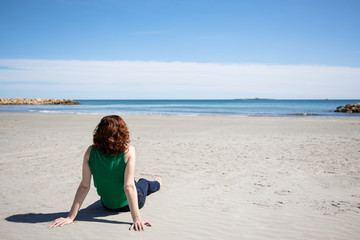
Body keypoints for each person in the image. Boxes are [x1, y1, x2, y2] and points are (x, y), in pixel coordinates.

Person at [50, 115, 161, 231]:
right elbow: (128, 186)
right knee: (143, 183)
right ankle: (158, 183)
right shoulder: (129, 151)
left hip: (107, 205)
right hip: (129, 204)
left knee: (132, 182)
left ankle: (147, 182)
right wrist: (137, 219)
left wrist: (70, 217)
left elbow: (85, 185)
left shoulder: (90, 151)